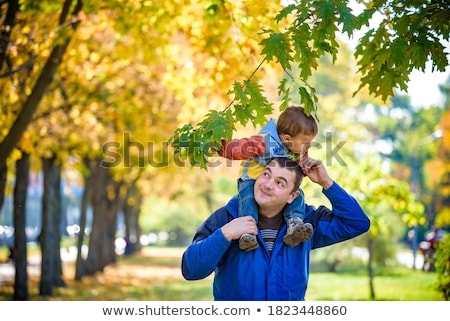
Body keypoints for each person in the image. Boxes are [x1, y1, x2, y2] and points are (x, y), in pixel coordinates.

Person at [181, 156, 370, 300]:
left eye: (280, 183)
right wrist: (226, 233)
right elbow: (191, 269)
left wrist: (326, 182)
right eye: (266, 174)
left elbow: (357, 223)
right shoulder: (227, 217)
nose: (268, 185)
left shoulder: (306, 224)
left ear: (292, 196)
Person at [218, 105, 318, 251]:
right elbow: (242, 147)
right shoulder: (265, 142)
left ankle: (294, 224)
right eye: (305, 143)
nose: (308, 146)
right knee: (248, 199)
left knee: (297, 194)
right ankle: (247, 233)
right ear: (287, 139)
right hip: (251, 179)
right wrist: (222, 147)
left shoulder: (295, 149)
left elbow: (298, 166)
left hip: (275, 184)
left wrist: (305, 166)